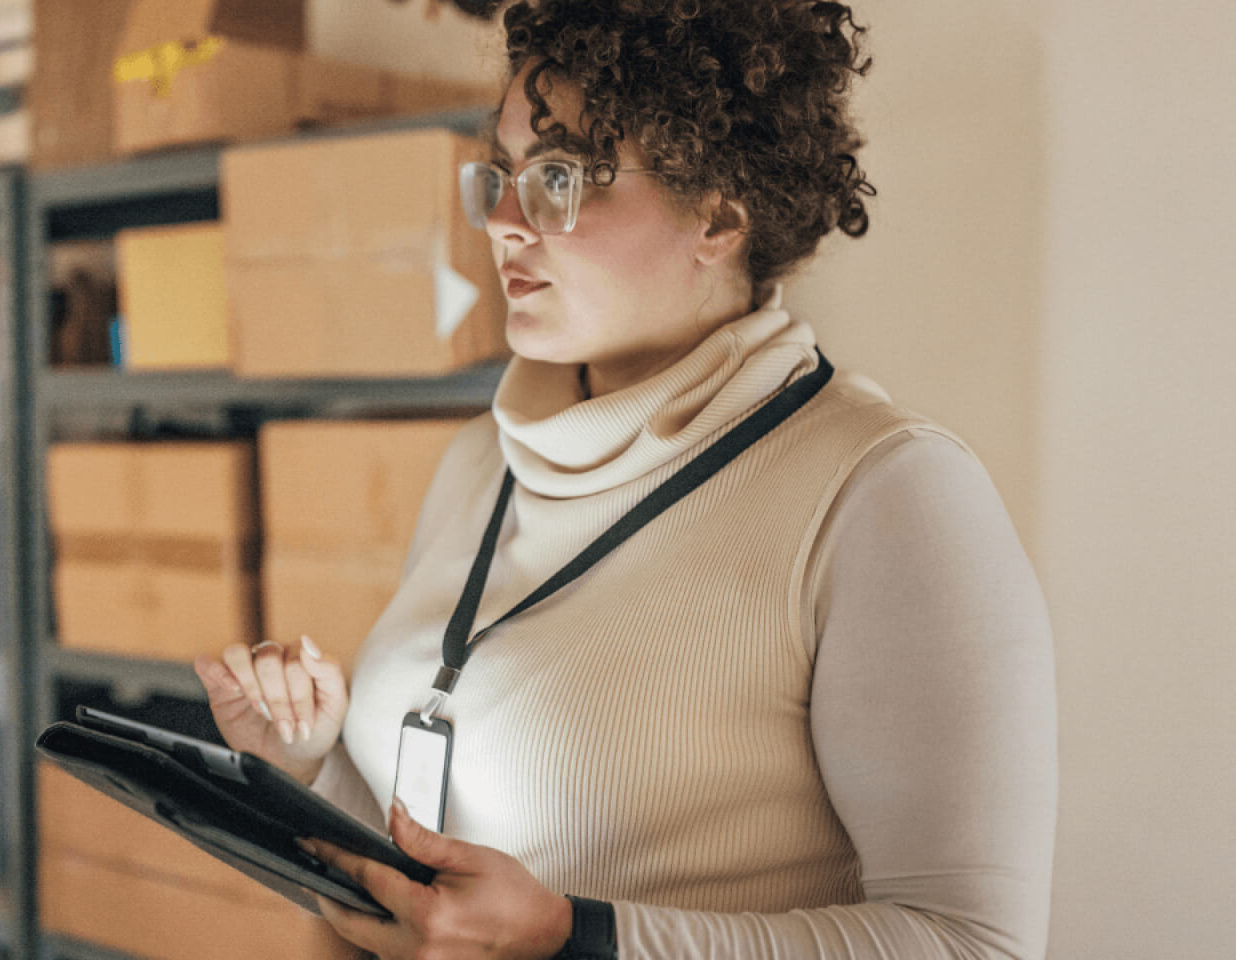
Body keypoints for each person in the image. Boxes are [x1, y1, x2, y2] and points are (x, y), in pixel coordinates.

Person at [194, 1, 1058, 957]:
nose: (506, 222)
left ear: (719, 216)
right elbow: (439, 891)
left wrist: (580, 939)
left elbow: (970, 942)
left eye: (560, 176)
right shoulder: (482, 463)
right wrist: (307, 768)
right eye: (504, 174)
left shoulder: (886, 494)